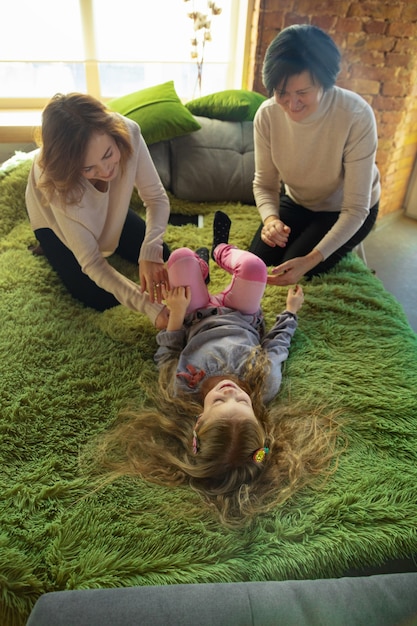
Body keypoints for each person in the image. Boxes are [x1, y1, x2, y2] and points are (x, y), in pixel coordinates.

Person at [91, 212, 339, 526]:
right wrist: (290, 312)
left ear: (199, 421)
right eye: (244, 403)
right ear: (258, 416)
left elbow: (167, 351)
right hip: (241, 313)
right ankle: (221, 248)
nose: (231, 393)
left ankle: (201, 266)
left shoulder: (183, 387)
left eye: (219, 403)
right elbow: (278, 345)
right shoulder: (265, 383)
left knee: (180, 259)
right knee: (254, 267)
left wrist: (177, 314)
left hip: (195, 316)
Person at [248, 24, 381, 286]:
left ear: (325, 82)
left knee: (296, 268)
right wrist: (271, 220)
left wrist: (312, 258)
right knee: (257, 265)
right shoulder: (267, 115)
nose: (291, 104)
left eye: (302, 93)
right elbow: (264, 183)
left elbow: (356, 208)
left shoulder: (356, 115)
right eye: (281, 93)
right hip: (298, 200)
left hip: (345, 208)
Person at [25, 92, 171, 328]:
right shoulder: (53, 180)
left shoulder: (128, 131)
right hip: (53, 220)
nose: (105, 171)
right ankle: (51, 246)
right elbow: (92, 263)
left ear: (115, 134)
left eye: (108, 155)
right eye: (88, 168)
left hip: (106, 209)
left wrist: (150, 251)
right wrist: (149, 306)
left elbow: (155, 198)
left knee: (164, 259)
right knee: (99, 298)